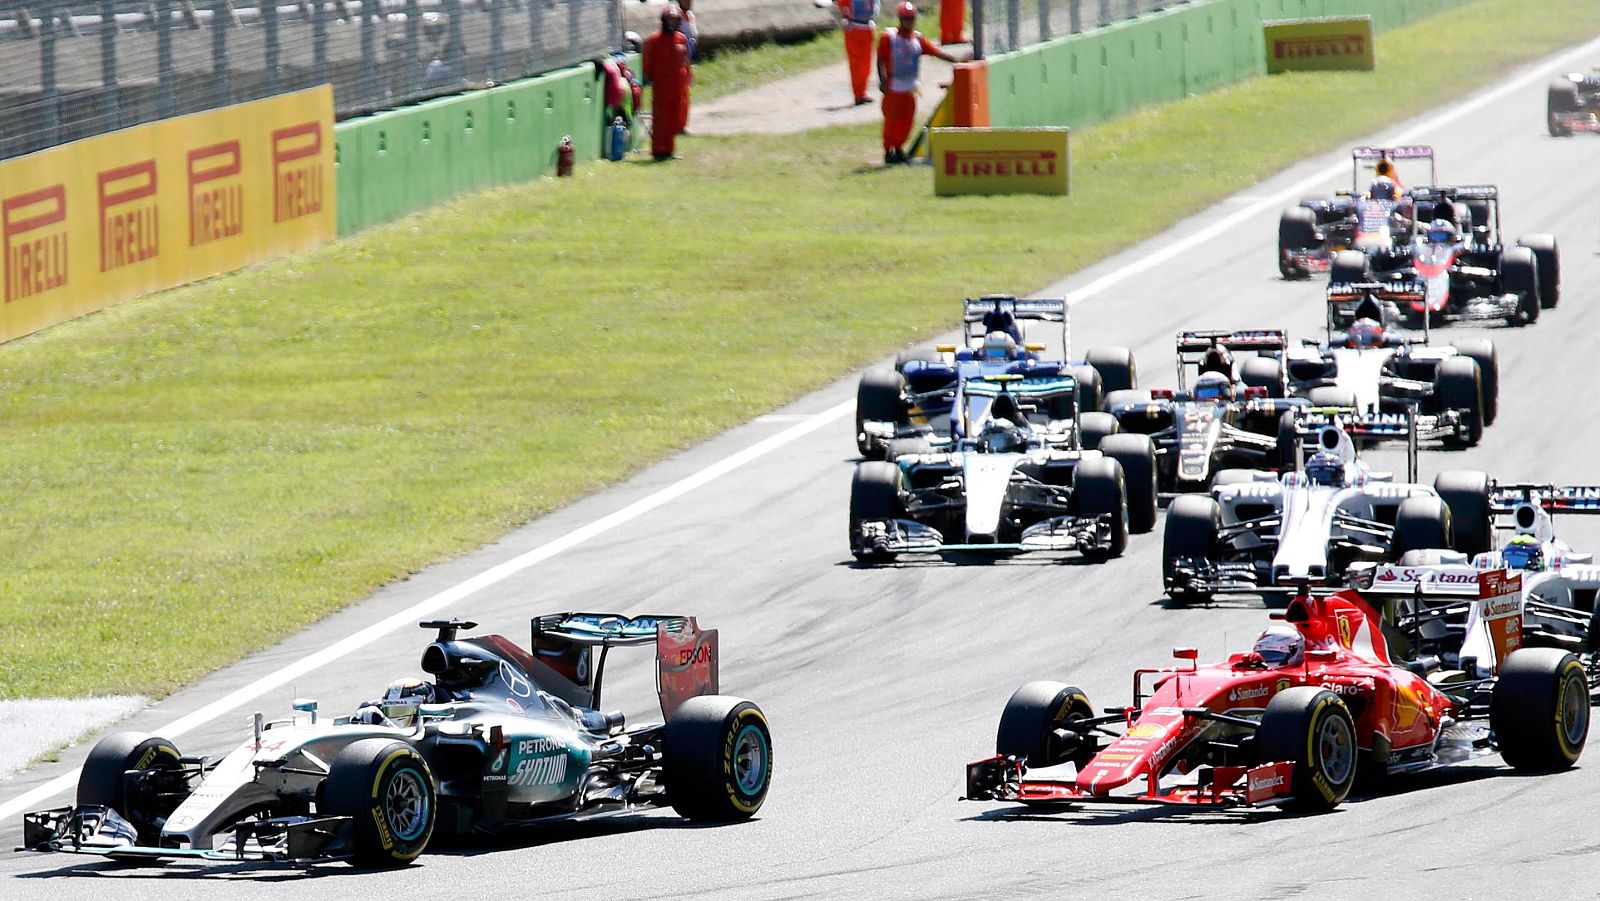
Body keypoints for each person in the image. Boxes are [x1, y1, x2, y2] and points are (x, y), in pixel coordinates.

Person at [878, 1, 962, 165]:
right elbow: (880, 59)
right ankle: (889, 150)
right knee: (891, 120)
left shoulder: (917, 38)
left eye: (911, 18)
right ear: (900, 18)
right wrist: (882, 79)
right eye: (906, 18)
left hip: (910, 87)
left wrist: (957, 60)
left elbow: (936, 52)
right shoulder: (889, 37)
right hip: (894, 86)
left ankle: (899, 147)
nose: (909, 22)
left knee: (907, 120)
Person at [643, 5, 690, 161]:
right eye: (669, 19)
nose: (672, 23)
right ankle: (658, 151)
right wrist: (655, 79)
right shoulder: (653, 40)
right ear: (663, 20)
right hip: (662, 85)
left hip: (678, 85)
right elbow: (648, 63)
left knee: (673, 119)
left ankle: (669, 150)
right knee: (660, 119)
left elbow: (685, 61)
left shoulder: (681, 39)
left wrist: (686, 79)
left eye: (675, 20)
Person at [837, 0, 877, 106]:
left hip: (867, 28)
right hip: (853, 28)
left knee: (866, 65)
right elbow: (842, 4)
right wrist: (845, 14)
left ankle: (862, 93)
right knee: (856, 65)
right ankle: (858, 95)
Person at [678, 0, 698, 133]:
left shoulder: (690, 16)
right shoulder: (674, 16)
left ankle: (682, 125)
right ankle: (676, 124)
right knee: (678, 94)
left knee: (685, 94)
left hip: (687, 61)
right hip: (677, 62)